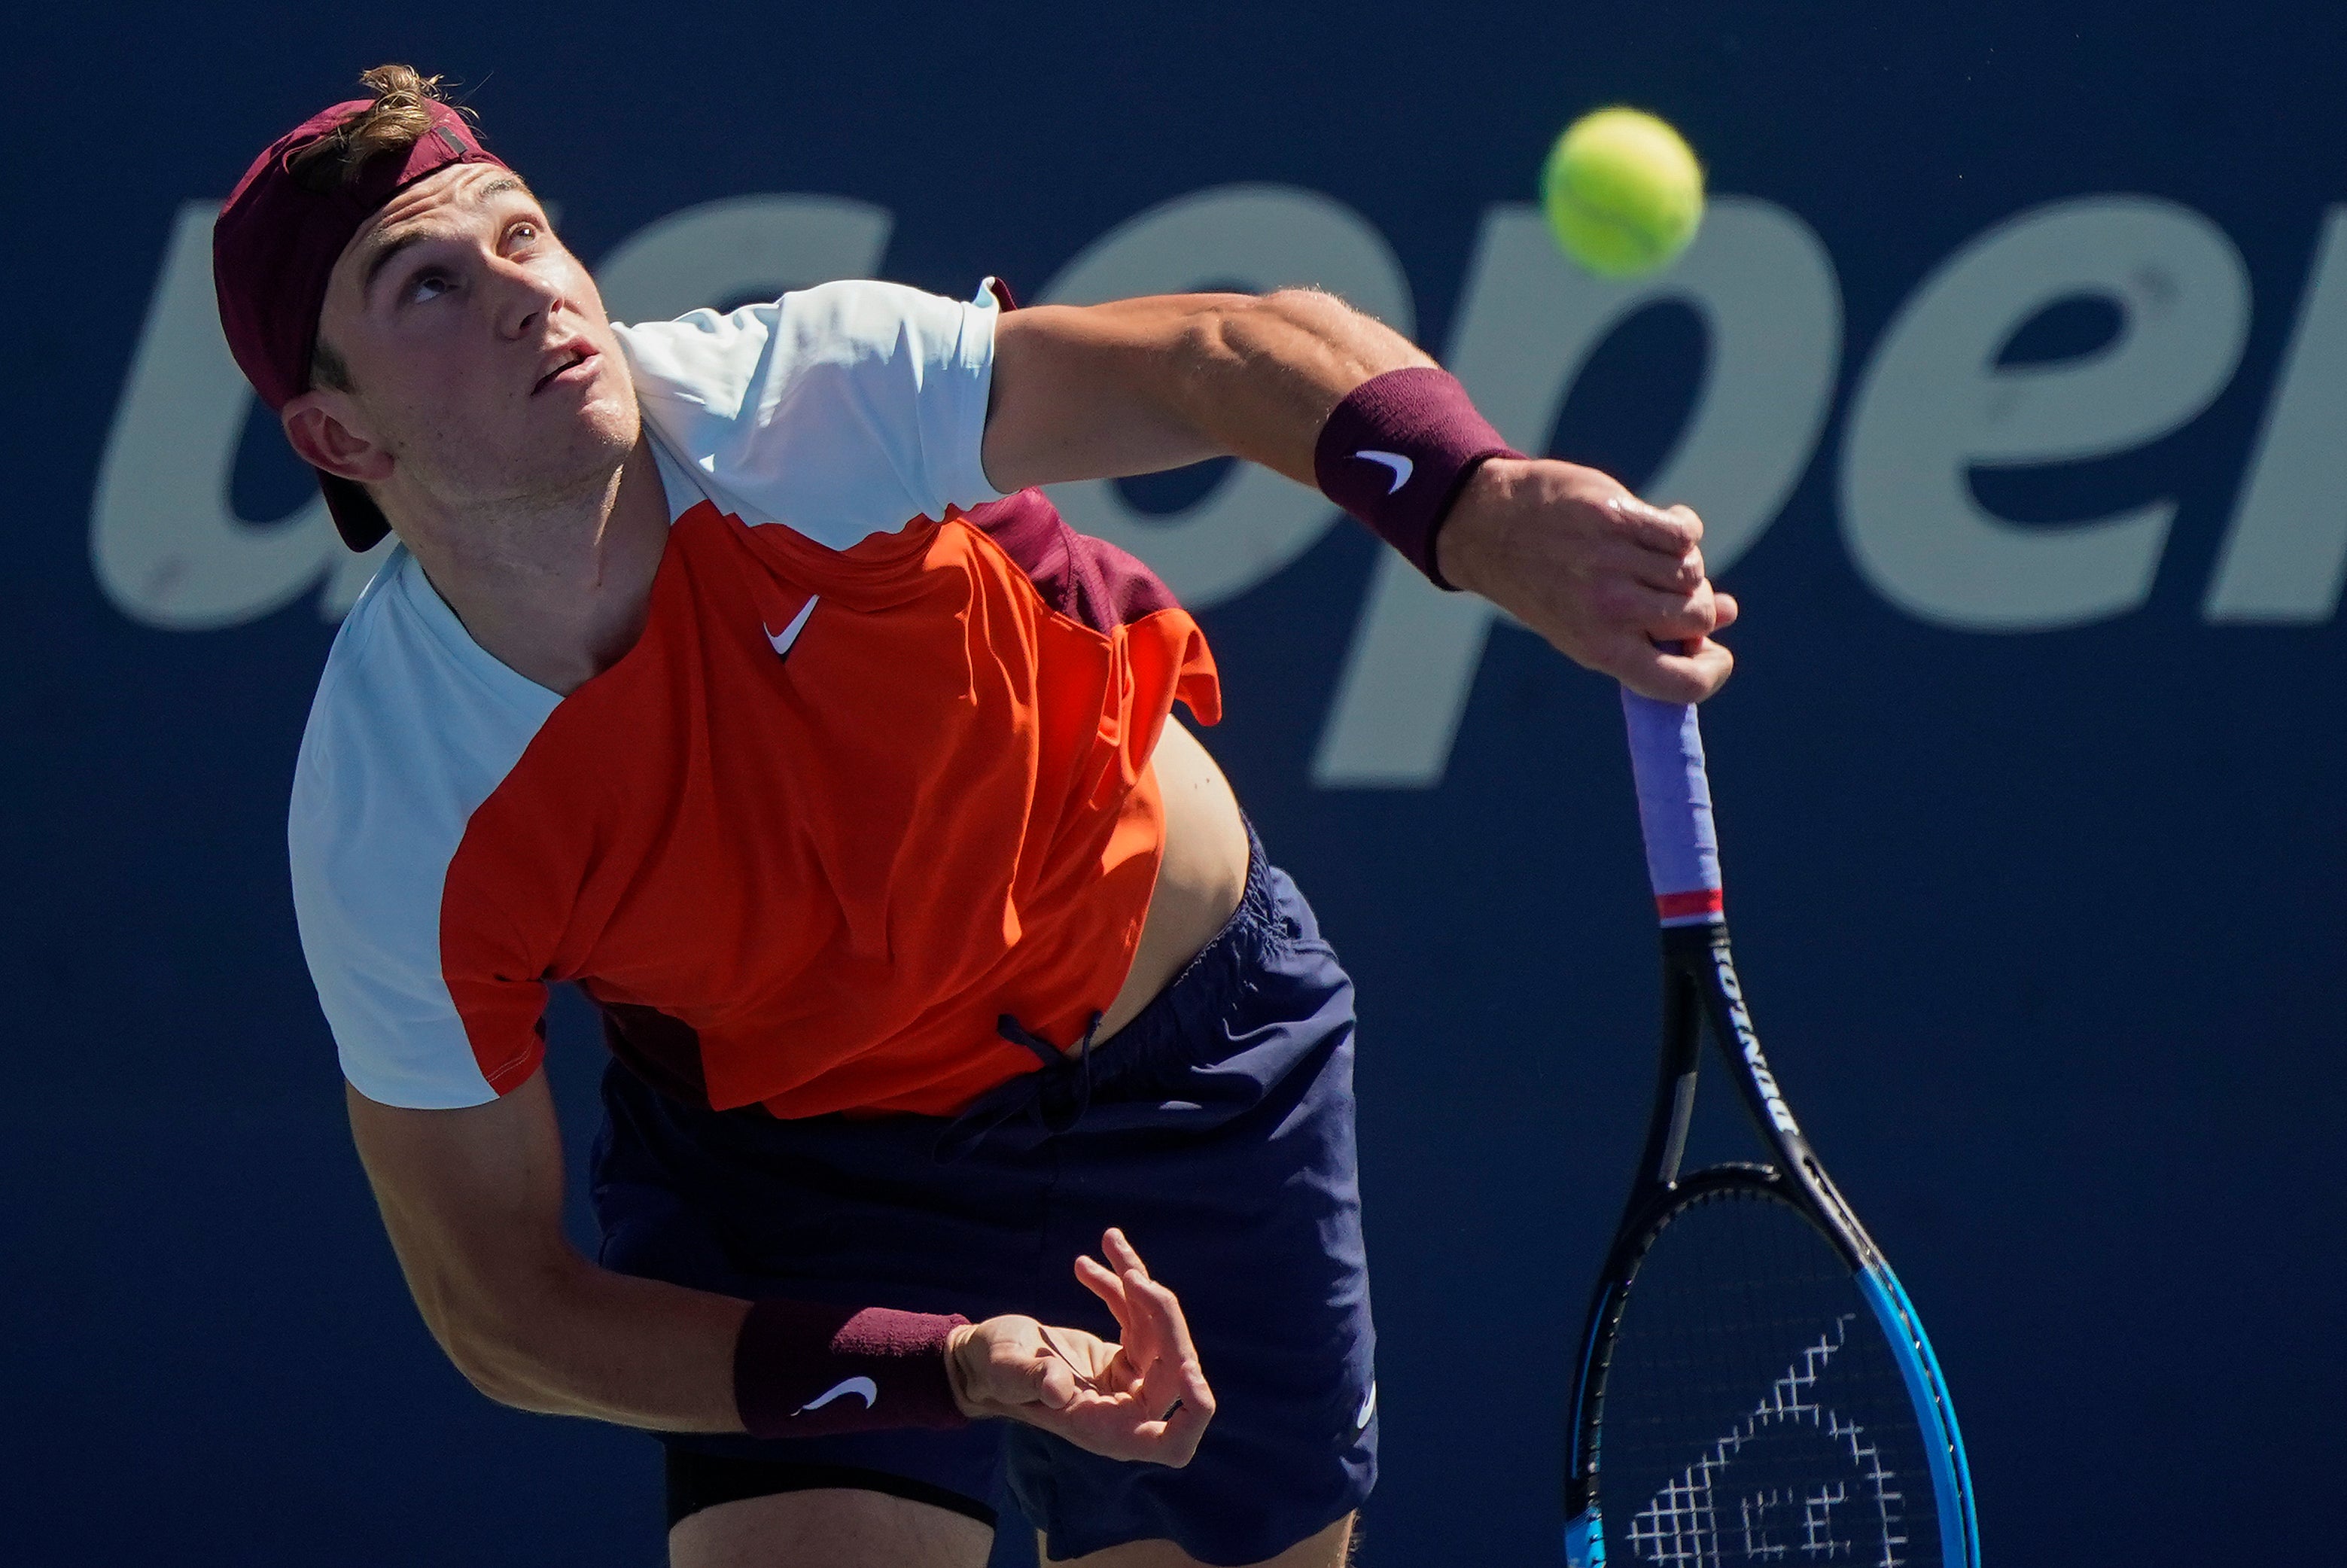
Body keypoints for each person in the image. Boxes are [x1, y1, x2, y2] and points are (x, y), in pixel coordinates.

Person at [215, 64, 1736, 1568]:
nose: (522, 292)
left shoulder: (788, 402)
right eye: (422, 286)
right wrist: (929, 1361)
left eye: (521, 233)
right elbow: (499, 1307)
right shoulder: (397, 807)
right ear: (337, 441)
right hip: (803, 1183)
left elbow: (1223, 346)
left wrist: (1473, 505)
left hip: (1192, 1070)